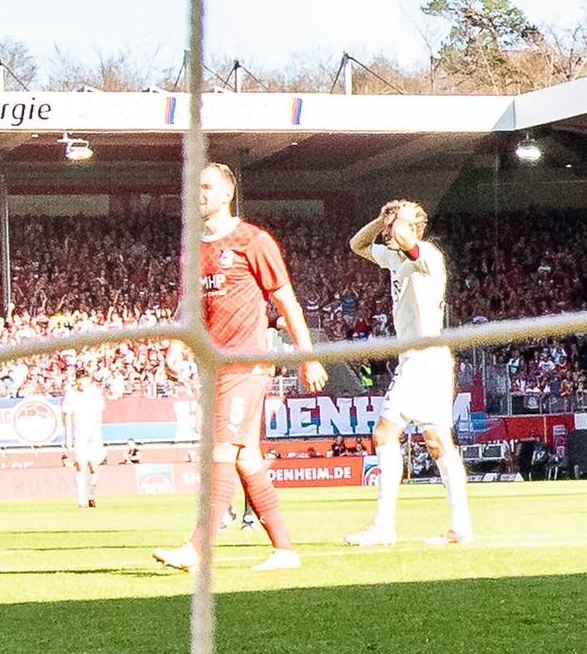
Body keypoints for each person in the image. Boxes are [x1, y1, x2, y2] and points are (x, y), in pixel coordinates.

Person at [154, 163, 325, 574]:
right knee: (247, 458)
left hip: (246, 363)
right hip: (214, 367)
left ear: (227, 193)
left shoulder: (253, 241)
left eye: (207, 187)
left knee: (221, 452)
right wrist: (177, 345)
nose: (199, 194)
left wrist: (307, 356)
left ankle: (196, 549)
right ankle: (285, 550)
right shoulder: (193, 248)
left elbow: (286, 302)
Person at [343, 200, 472, 547]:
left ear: (417, 228)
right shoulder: (395, 258)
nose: (389, 231)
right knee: (437, 441)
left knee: (385, 434)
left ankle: (384, 526)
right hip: (426, 359)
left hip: (422, 358)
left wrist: (399, 218)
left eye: (397, 225)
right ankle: (460, 526)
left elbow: (402, 234)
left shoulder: (425, 255)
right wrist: (381, 217)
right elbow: (357, 244)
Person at [65, 370, 106, 508]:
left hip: (94, 435)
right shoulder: (70, 395)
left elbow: (99, 413)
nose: (81, 382)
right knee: (80, 465)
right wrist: (68, 438)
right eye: (79, 379)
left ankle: (91, 495)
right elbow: (67, 416)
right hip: (80, 435)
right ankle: (81, 500)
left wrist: (96, 431)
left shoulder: (95, 394)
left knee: (93, 467)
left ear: (89, 380)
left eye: (84, 379)